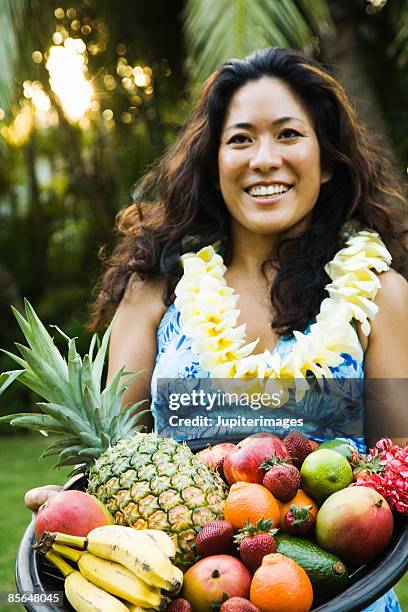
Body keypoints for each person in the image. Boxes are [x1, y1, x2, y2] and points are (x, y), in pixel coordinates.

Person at [26, 48, 408, 610]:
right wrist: (72, 506)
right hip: (179, 583)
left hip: (339, 583)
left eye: (288, 134)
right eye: (240, 139)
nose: (264, 159)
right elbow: (115, 447)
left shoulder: (379, 293)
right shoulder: (156, 287)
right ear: (212, 163)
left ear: (327, 161)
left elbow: (398, 455)